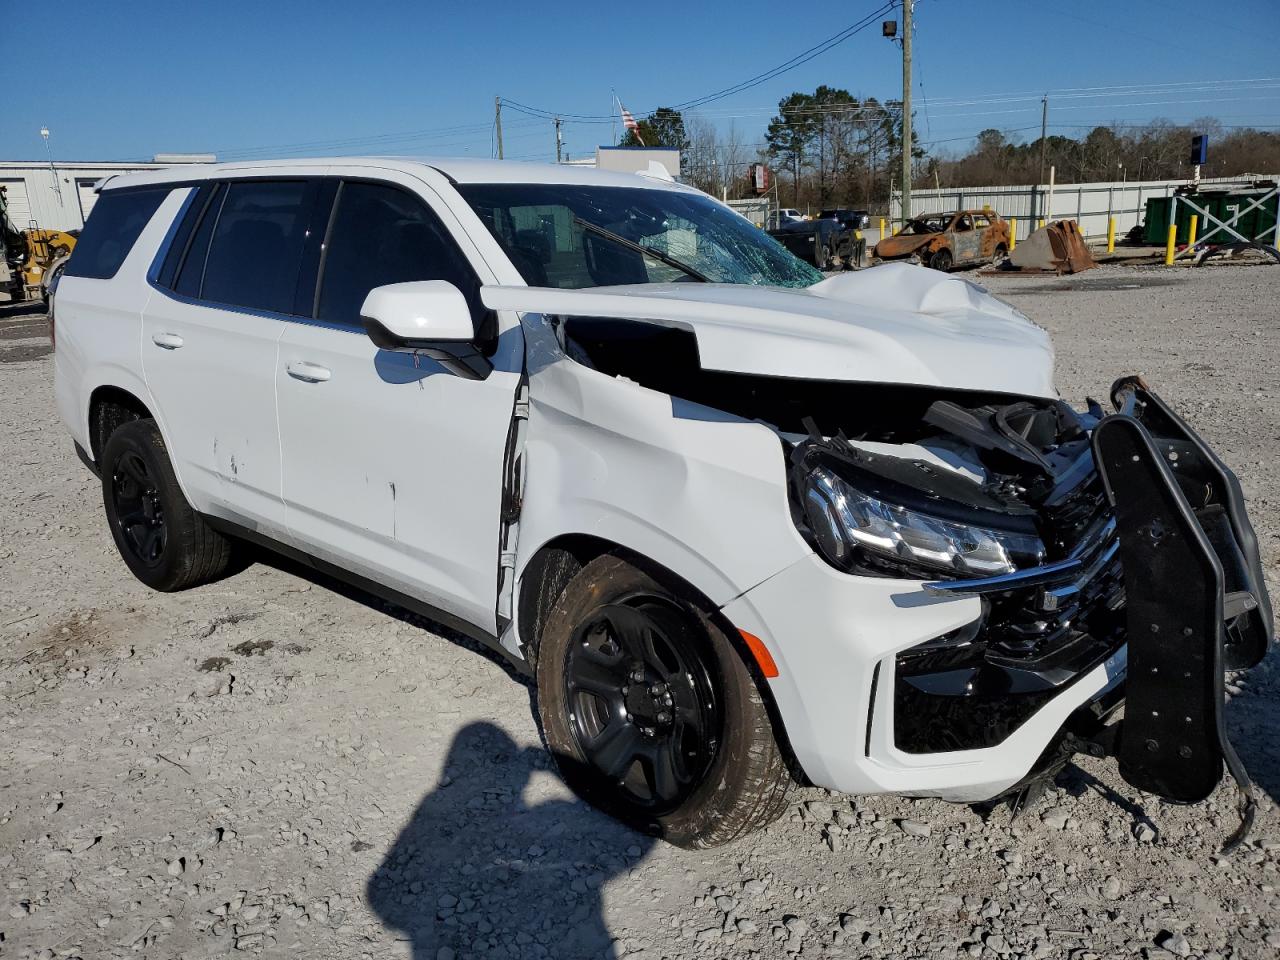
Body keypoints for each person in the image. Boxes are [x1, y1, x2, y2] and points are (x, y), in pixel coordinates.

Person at [367, 721, 652, 959]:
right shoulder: (550, 812)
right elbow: (647, 841)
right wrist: (560, 766)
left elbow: (379, 895)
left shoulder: (434, 807)